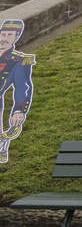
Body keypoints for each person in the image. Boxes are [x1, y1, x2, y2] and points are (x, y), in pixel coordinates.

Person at [0, 20, 34, 164]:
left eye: (9, 35)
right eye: (3, 33)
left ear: (16, 37)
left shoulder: (18, 60)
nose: (4, 38)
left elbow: (22, 87)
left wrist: (19, 110)